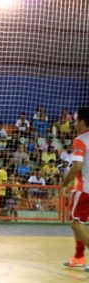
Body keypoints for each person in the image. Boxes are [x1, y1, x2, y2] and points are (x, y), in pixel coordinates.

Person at [61, 108, 89, 268]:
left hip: (85, 189)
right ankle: (79, 257)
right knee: (80, 221)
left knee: (76, 223)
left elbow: (77, 166)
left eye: (76, 120)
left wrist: (65, 184)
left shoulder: (80, 140)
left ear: (83, 122)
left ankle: (79, 256)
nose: (74, 122)